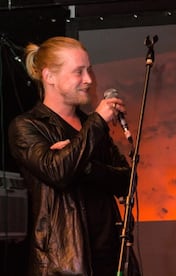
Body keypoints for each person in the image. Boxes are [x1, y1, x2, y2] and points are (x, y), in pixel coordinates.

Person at [8, 36, 137, 275]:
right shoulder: (27, 126)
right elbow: (58, 172)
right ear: (49, 77)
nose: (88, 80)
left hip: (111, 259)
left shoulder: (89, 125)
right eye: (79, 72)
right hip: (65, 265)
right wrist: (97, 122)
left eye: (89, 70)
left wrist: (84, 166)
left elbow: (128, 180)